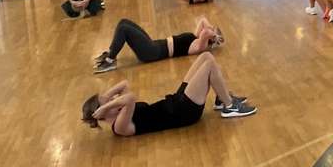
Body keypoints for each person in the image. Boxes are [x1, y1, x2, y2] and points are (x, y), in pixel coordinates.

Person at [80, 52, 256, 134]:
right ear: (102, 112)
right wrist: (105, 108)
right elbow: (130, 98)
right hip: (183, 113)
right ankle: (230, 107)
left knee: (206, 57)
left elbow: (125, 85)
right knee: (209, 67)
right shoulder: (119, 127)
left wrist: (105, 101)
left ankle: (220, 100)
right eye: (106, 100)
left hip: (175, 102)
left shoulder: (116, 111)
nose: (110, 97)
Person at [92, 16, 223, 73]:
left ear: (210, 38)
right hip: (154, 44)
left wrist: (215, 35)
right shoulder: (196, 37)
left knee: (124, 29)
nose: (210, 29)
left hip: (153, 52)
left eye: (212, 31)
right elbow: (203, 21)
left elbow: (206, 31)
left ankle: (110, 61)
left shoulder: (200, 47)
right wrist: (213, 28)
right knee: (124, 22)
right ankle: (111, 53)